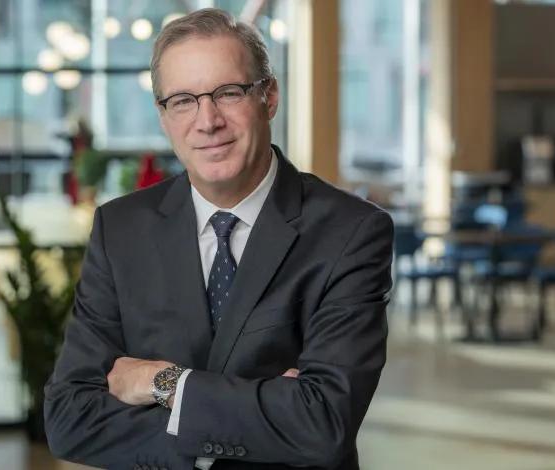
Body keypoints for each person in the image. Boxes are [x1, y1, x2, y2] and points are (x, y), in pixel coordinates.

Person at [44, 8, 394, 470]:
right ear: (164, 116)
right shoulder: (121, 229)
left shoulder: (350, 232)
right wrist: (261, 416)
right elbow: (69, 417)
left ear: (269, 96)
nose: (207, 121)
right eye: (183, 100)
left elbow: (322, 422)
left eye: (228, 93)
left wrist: (164, 384)